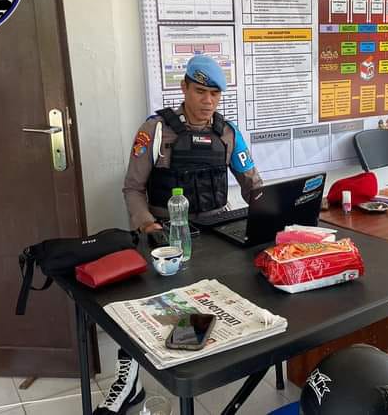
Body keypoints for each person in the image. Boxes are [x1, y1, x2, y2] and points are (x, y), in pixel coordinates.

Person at [95, 55, 263, 414]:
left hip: (216, 232)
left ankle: (195, 364)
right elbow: (132, 188)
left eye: (215, 95)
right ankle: (130, 382)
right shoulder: (156, 130)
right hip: (163, 234)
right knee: (146, 306)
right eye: (200, 92)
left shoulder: (228, 133)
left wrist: (272, 209)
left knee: (239, 289)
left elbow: (253, 185)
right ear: (184, 88)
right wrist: (147, 225)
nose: (208, 102)